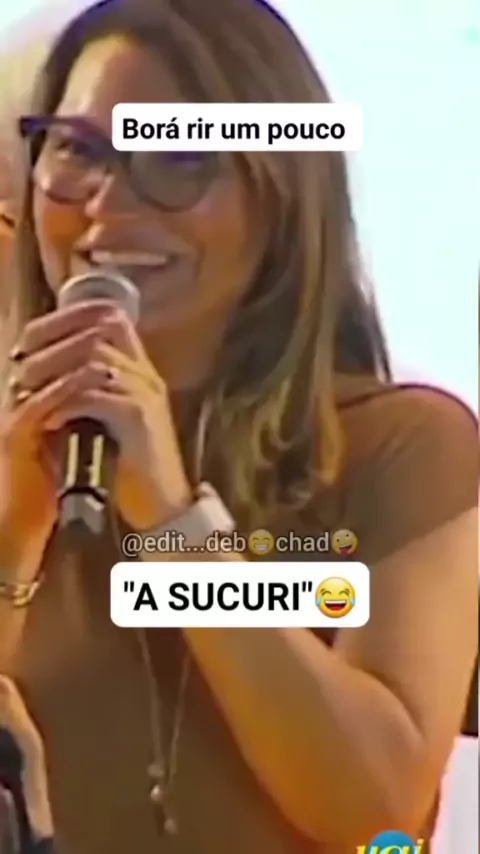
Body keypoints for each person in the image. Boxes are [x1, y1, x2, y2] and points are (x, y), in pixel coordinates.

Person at [0, 0, 477, 852]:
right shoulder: (21, 461)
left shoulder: (406, 446)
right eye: (77, 149)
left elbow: (376, 810)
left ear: (281, 191)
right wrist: (13, 527)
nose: (108, 204)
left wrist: (174, 522)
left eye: (179, 158)